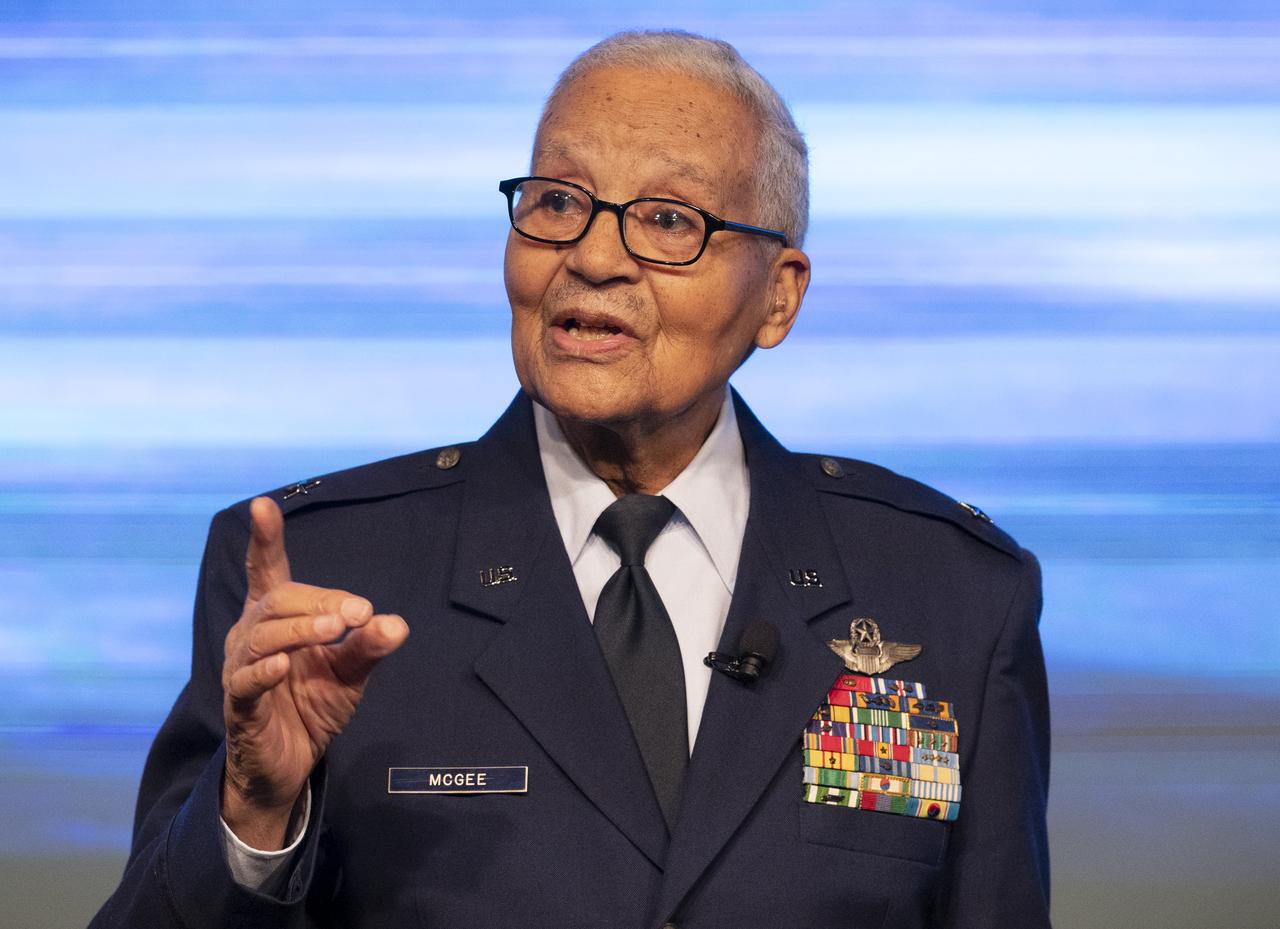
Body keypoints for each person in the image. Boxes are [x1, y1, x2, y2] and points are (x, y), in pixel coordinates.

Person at [91, 30, 1050, 929]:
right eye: (557, 201)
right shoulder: (321, 575)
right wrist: (253, 814)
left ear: (779, 294)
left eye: (668, 220)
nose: (591, 257)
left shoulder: (953, 593)